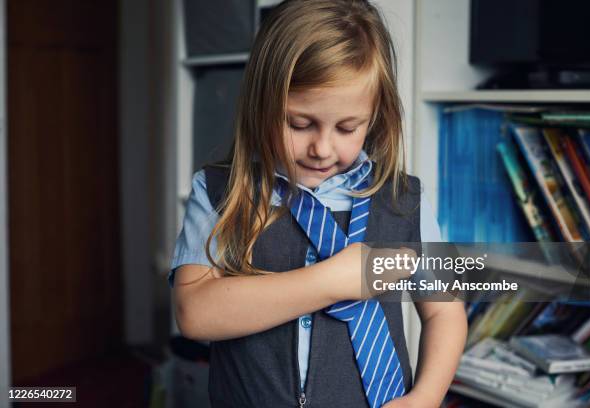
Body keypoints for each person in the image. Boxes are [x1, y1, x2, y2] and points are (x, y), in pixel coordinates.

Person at [169, 1, 467, 407]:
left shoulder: (405, 201)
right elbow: (194, 313)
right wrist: (333, 281)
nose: (322, 148)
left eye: (347, 128)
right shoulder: (218, 192)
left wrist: (427, 397)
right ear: (262, 104)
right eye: (299, 123)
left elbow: (444, 313)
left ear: (374, 117)